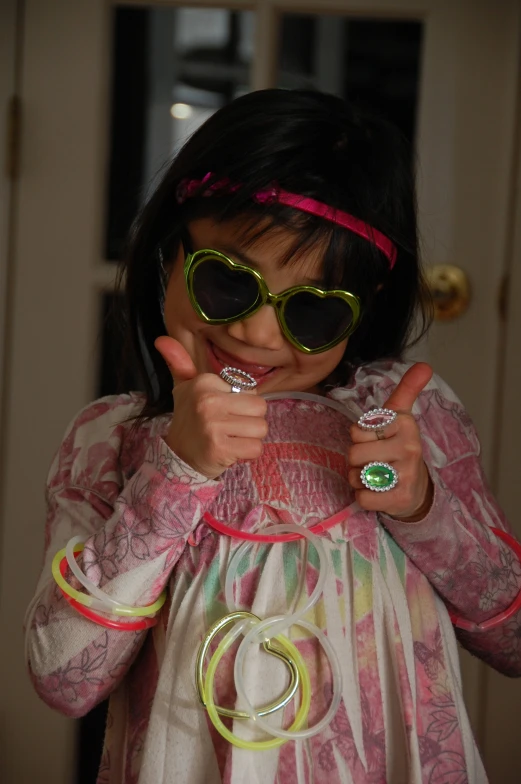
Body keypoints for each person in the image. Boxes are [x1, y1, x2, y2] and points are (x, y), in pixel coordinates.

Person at [25, 89, 521, 784]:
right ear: (170, 253)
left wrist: (420, 508)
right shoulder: (111, 439)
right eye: (227, 283)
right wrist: (177, 475)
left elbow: (512, 640)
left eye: (312, 312)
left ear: (362, 309)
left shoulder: (406, 419)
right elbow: (63, 678)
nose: (256, 334)